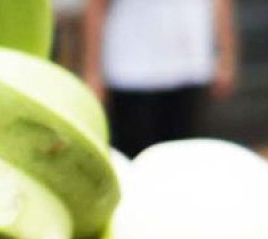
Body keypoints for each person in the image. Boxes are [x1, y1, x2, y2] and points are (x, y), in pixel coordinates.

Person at [83, 0, 238, 157]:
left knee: (186, 157)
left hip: (190, 66)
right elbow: (96, 6)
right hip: (132, 71)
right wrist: (93, 72)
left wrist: (226, 55)